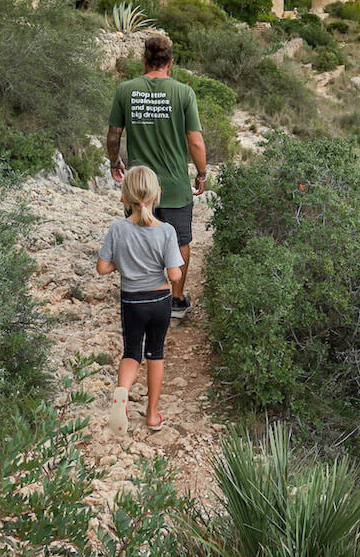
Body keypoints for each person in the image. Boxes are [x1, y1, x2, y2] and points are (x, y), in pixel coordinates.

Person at [106, 34, 206, 318]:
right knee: (180, 240)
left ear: (144, 61)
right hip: (174, 185)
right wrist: (201, 173)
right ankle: (176, 300)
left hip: (139, 185)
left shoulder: (126, 90)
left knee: (139, 236)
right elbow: (195, 141)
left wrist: (114, 162)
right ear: (170, 63)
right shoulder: (184, 93)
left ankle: (141, 294)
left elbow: (113, 135)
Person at [97, 165, 185, 433]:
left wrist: (123, 263)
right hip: (159, 300)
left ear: (124, 197)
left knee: (132, 352)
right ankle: (152, 414)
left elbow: (102, 267)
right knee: (155, 353)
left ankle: (122, 393)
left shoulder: (117, 229)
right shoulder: (166, 230)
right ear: (157, 195)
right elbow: (175, 275)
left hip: (132, 301)